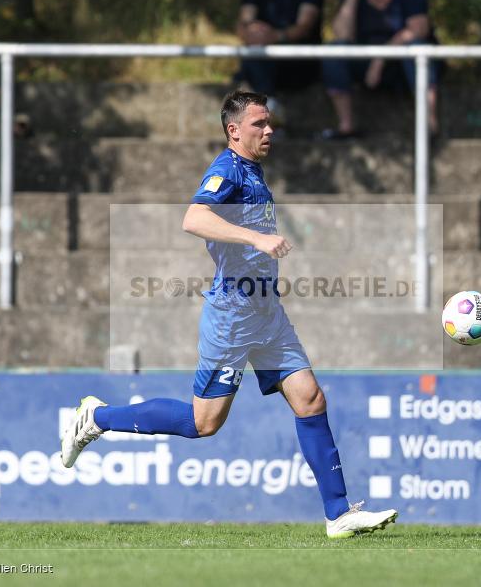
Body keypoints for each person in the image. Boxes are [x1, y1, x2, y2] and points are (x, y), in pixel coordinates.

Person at [61, 91, 398, 539]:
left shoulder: (253, 171)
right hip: (233, 316)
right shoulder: (227, 170)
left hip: (267, 313)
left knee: (311, 399)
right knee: (204, 423)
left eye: (269, 122)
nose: (269, 130)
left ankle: (338, 514)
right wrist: (255, 239)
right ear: (234, 130)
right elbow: (194, 218)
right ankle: (97, 418)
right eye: (259, 124)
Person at [320, 0, 438, 139]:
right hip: (366, 64)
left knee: (417, 50)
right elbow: (342, 35)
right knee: (334, 51)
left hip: (401, 63)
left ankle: (429, 125)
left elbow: (419, 29)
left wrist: (380, 58)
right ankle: (346, 126)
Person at [235, 0, 324, 123]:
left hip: (299, 65)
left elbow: (304, 27)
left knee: (255, 58)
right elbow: (243, 24)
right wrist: (252, 32)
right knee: (255, 54)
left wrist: (275, 36)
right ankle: (268, 110)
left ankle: (267, 111)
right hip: (262, 63)